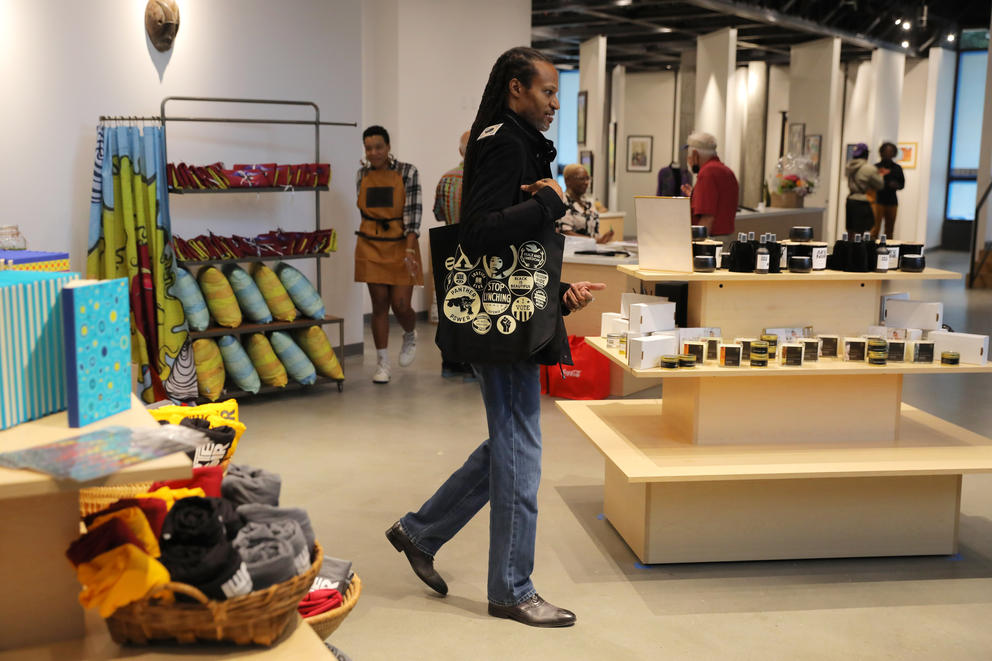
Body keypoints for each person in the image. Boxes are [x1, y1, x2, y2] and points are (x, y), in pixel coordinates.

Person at [385, 46, 604, 628]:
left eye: (557, 93)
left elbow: (513, 254)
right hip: (500, 328)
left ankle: (420, 531)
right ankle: (510, 588)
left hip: (505, 318)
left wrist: (555, 296)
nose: (555, 103)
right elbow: (480, 234)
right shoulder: (503, 141)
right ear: (515, 89)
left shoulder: (510, 138)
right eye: (548, 92)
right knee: (520, 451)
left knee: (510, 445)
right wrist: (551, 203)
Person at [355, 125, 423, 385]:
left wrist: (409, 247)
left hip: (402, 243)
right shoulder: (362, 175)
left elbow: (414, 213)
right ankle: (382, 362)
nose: (373, 153)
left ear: (388, 147)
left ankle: (409, 333)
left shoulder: (407, 172)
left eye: (378, 147)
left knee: (401, 304)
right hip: (370, 244)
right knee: (379, 304)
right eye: (369, 148)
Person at [433, 131, 475, 381]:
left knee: (450, 304)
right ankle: (470, 362)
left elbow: (438, 213)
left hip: (448, 246)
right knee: (472, 305)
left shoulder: (447, 178)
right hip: (476, 248)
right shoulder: (484, 178)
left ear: (460, 151)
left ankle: (449, 361)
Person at [679, 131, 739, 237]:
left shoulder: (707, 173)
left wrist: (696, 245)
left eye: (689, 157)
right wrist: (695, 196)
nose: (689, 161)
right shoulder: (726, 171)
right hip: (727, 237)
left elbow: (707, 217)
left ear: (695, 155)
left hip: (711, 240)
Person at [557, 163, 614, 244]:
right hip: (571, 251)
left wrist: (603, 238)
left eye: (588, 178)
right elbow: (565, 233)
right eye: (581, 179)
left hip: (592, 249)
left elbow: (593, 232)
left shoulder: (588, 203)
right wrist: (595, 241)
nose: (586, 182)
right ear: (567, 181)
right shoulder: (563, 201)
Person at [844, 142, 884, 235]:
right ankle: (860, 250)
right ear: (866, 154)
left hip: (850, 200)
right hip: (862, 201)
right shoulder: (869, 168)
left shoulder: (848, 166)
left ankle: (850, 249)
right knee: (863, 232)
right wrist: (881, 175)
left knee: (850, 231)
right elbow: (880, 185)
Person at [872, 142, 905, 238]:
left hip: (892, 202)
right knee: (874, 229)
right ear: (881, 152)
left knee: (889, 230)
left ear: (894, 153)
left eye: (890, 152)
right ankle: (872, 250)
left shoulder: (897, 168)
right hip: (878, 200)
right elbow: (871, 183)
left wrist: (895, 185)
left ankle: (889, 250)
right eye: (886, 151)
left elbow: (902, 185)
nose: (888, 153)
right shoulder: (876, 167)